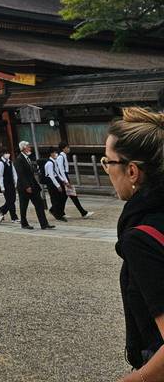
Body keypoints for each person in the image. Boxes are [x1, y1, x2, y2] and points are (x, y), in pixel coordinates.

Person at [104, 107, 164, 380]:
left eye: (109, 162)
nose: (107, 170)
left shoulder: (141, 238)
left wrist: (137, 378)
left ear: (132, 171)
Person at [14, 141, 55, 231]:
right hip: (24, 187)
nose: (30, 148)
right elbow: (21, 174)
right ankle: (24, 223)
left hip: (33, 185)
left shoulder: (28, 158)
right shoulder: (19, 159)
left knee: (39, 204)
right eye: (28, 147)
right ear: (23, 148)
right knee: (23, 206)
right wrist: (27, 186)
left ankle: (44, 224)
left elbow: (31, 171)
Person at [56, 143, 93, 219]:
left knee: (65, 196)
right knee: (72, 195)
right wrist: (66, 181)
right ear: (63, 148)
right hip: (64, 177)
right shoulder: (60, 157)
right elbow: (61, 170)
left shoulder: (64, 156)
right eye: (67, 147)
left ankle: (57, 211)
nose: (69, 149)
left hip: (65, 176)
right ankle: (83, 213)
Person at [0, 149, 19, 222]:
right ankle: (14, 218)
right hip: (5, 184)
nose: (8, 154)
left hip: (11, 184)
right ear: (2, 154)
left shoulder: (10, 162)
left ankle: (2, 209)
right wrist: (2, 187)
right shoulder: (0, 163)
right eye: (6, 153)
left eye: (8, 153)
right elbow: (0, 176)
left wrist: (16, 183)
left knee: (13, 199)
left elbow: (14, 173)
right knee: (10, 201)